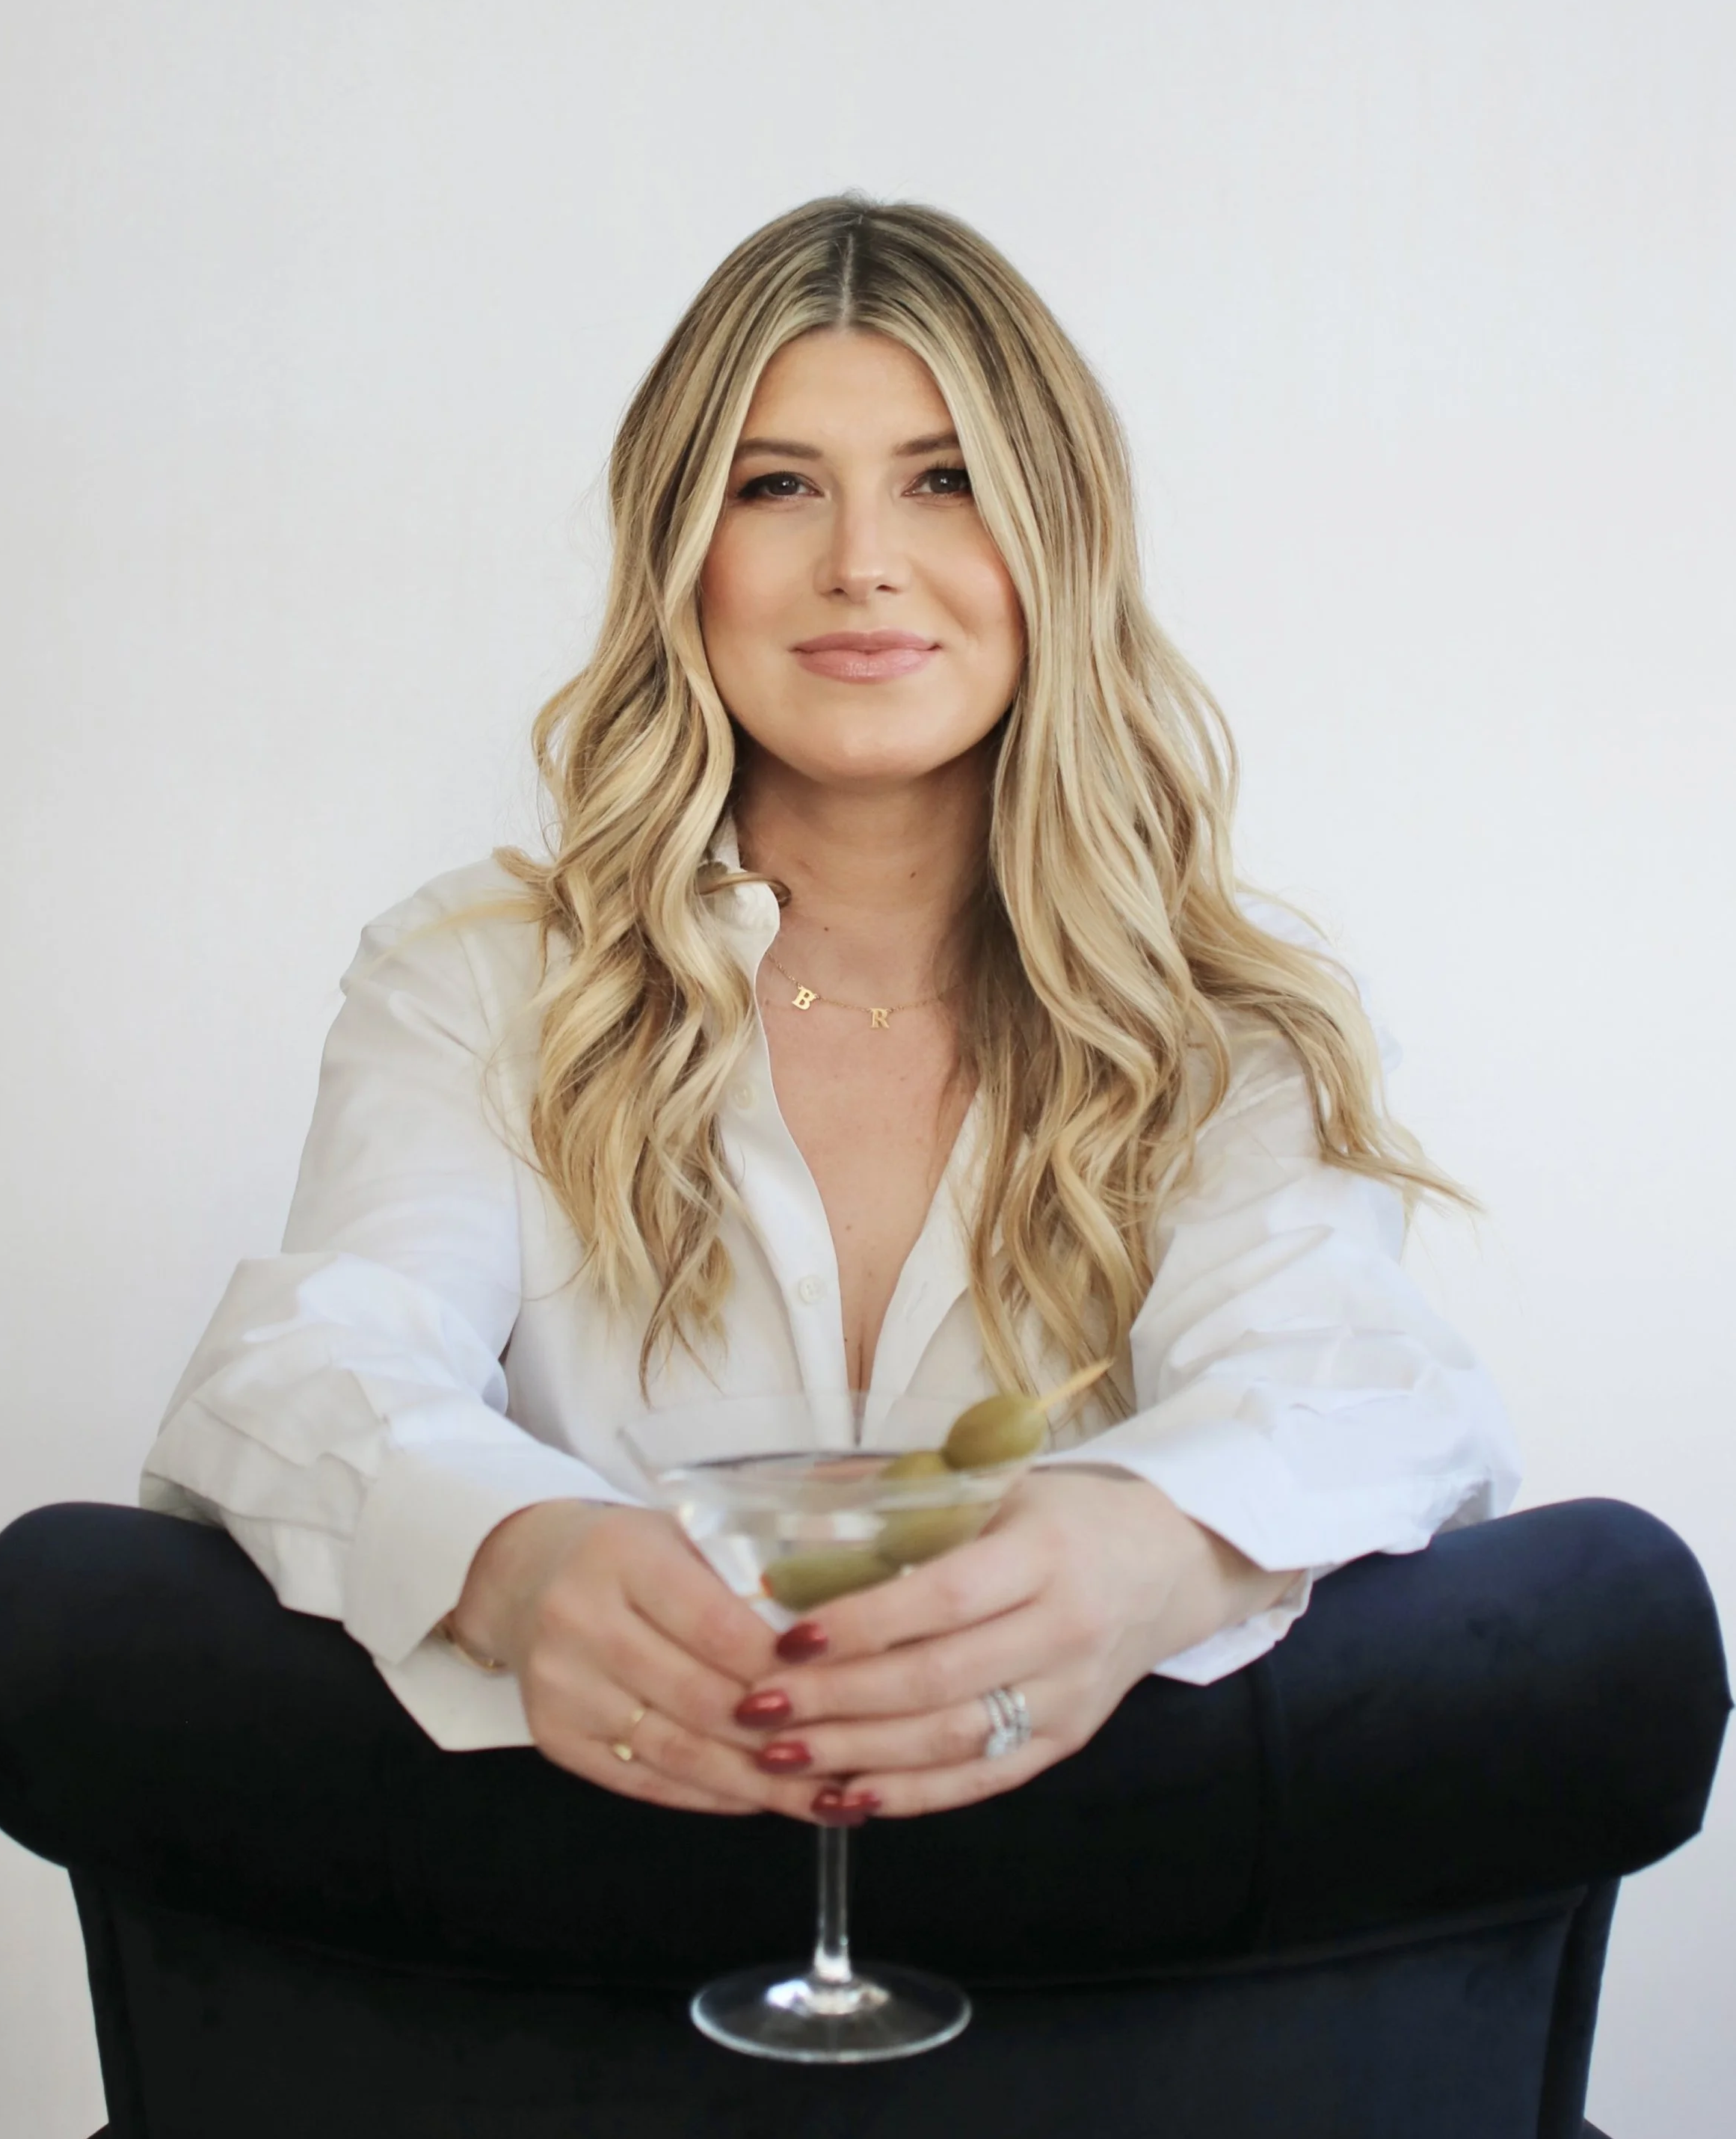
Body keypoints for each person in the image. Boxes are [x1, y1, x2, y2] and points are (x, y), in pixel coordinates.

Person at [143, 194, 1518, 1832]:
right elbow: (303, 1367)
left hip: (1101, 1935)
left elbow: (1359, 1389)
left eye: (943, 482)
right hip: (598, 1921)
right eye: (776, 485)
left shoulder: (1229, 1019)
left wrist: (1145, 1548)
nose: (861, 561)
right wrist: (514, 1556)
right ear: (684, 552)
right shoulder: (481, 976)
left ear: (1052, 544)